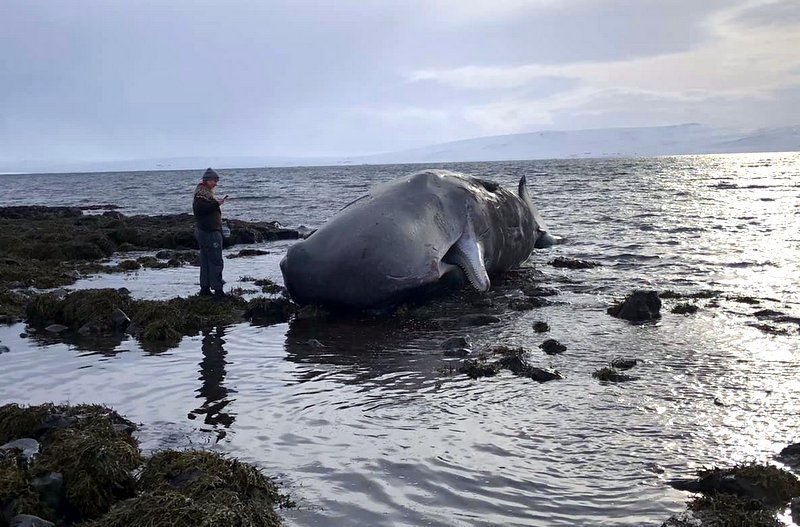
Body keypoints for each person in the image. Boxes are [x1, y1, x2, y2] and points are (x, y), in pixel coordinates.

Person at [193, 168, 228, 298]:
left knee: (206, 261)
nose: (216, 184)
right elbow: (200, 209)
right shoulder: (202, 194)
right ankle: (218, 290)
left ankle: (205, 288)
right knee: (216, 261)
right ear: (207, 180)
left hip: (204, 231)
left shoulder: (202, 193)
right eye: (214, 181)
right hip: (209, 232)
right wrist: (216, 204)